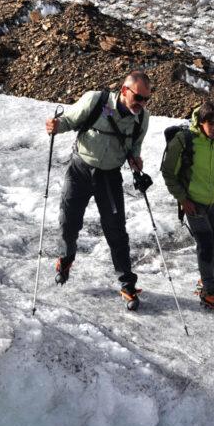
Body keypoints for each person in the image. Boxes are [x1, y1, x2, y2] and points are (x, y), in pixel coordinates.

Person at [45, 70, 152, 310]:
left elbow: (134, 148)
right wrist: (55, 126)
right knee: (69, 220)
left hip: (110, 176)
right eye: (139, 98)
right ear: (125, 90)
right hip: (80, 169)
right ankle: (66, 258)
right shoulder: (96, 100)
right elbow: (70, 120)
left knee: (116, 230)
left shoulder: (142, 119)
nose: (142, 104)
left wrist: (136, 161)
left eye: (146, 100)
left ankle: (127, 283)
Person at [160, 100, 214, 313]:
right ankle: (209, 290)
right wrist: (183, 199)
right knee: (206, 244)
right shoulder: (185, 140)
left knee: (210, 240)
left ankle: (206, 279)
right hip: (194, 202)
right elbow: (168, 172)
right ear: (201, 122)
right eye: (212, 124)